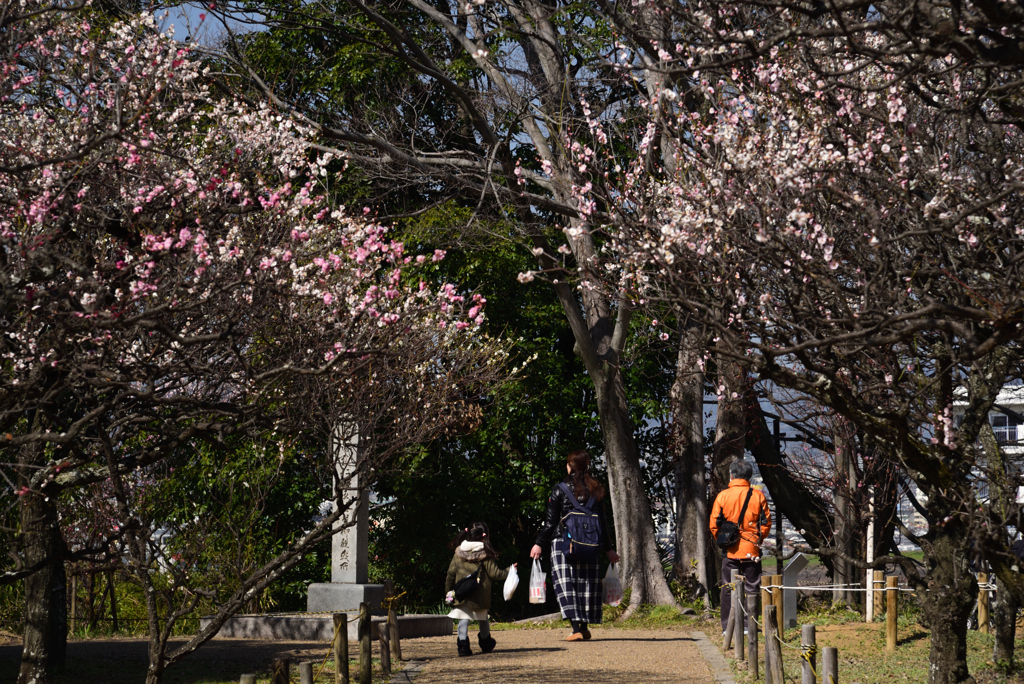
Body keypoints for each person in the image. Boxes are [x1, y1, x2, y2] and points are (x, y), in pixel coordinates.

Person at [530, 450, 620, 642]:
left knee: (566, 584)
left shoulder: (560, 489)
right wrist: (608, 549)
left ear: (570, 466)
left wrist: (539, 544)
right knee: (587, 584)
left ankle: (575, 629)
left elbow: (550, 522)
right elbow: (603, 522)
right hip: (590, 544)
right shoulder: (596, 490)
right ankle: (585, 628)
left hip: (564, 543)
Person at [709, 459, 772, 635]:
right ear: (750, 477)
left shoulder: (723, 496)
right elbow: (766, 523)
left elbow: (714, 524)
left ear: (732, 475)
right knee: (752, 586)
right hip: (751, 549)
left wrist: (723, 540)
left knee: (729, 587)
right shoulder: (758, 496)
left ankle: (728, 627)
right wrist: (757, 539)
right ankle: (749, 625)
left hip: (730, 551)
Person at [445, 521, 515, 657]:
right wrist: (510, 571)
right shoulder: (486, 553)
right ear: (485, 536)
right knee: (483, 619)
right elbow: (495, 574)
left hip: (461, 593)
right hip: (480, 595)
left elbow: (450, 574)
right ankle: (486, 643)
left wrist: (448, 592)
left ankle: (463, 646)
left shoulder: (458, 553)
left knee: (463, 619)